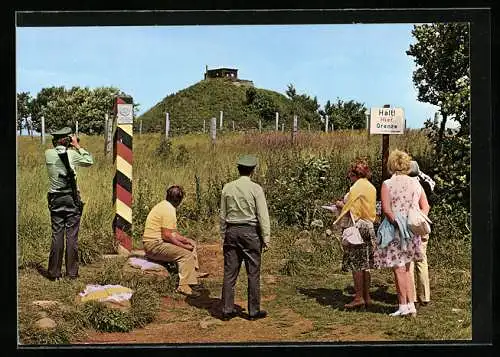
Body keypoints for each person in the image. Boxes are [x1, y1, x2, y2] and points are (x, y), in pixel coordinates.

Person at [374, 150, 429, 317]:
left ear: (391, 165)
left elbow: (387, 211)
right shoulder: (416, 183)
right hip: (413, 231)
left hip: (396, 231)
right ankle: (411, 305)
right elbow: (426, 206)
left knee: (398, 269)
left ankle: (403, 305)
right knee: (407, 267)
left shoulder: (387, 184)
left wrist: (399, 224)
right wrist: (416, 220)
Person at [219, 155, 270, 321]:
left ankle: (227, 309)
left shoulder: (227, 187)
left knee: (229, 273)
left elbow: (223, 214)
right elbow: (263, 215)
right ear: (252, 170)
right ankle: (253, 311)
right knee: (253, 273)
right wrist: (266, 237)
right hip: (250, 232)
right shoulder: (256, 189)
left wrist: (223, 233)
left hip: (232, 231)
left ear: (238, 169)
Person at [45, 127, 94, 281]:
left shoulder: (48, 154)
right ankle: (72, 273)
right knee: (71, 236)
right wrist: (77, 146)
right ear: (67, 141)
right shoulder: (72, 154)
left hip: (55, 198)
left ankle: (54, 273)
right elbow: (89, 161)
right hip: (71, 198)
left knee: (57, 234)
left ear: (54, 140)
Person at [142, 185, 209, 297]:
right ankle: (183, 286)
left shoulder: (165, 206)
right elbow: (167, 236)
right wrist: (183, 247)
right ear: (179, 200)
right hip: (154, 245)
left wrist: (186, 240)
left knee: (191, 243)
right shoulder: (168, 210)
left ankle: (193, 273)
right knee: (186, 254)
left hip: (155, 243)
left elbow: (172, 233)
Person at [333, 159, 377, 309]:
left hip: (357, 227)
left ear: (354, 174)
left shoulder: (356, 188)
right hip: (369, 226)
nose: (349, 178)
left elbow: (351, 209)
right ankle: (367, 295)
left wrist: (339, 205)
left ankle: (358, 297)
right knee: (366, 264)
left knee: (357, 264)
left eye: (350, 175)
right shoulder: (371, 187)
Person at [408, 160, 435, 307]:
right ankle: (424, 296)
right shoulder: (425, 184)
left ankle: (411, 296)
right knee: (422, 260)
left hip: (409, 225)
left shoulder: (406, 185)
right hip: (422, 224)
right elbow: (427, 204)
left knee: (409, 262)